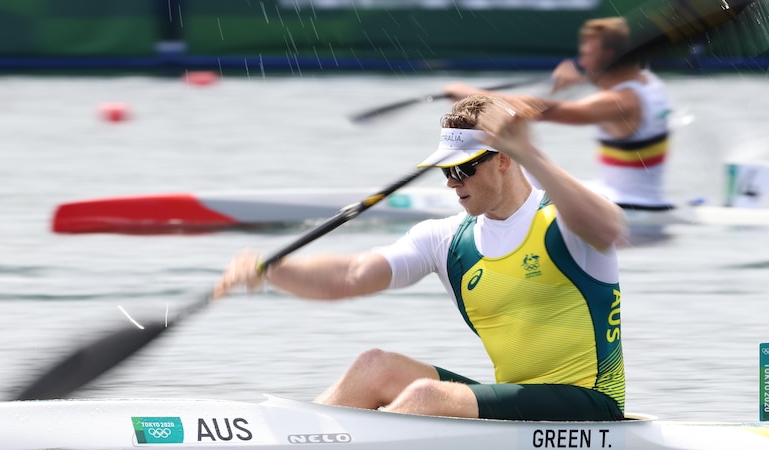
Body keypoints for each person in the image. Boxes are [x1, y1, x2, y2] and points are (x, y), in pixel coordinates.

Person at [215, 94, 627, 421]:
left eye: (462, 170)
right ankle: (301, 440)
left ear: (504, 159)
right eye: (444, 172)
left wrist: (531, 153)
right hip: (520, 403)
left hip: (590, 405)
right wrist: (271, 270)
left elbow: (610, 228)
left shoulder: (565, 221)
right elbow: (353, 274)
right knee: (374, 366)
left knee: (425, 396)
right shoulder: (445, 238)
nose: (451, 183)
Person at [444, 17, 674, 210]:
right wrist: (581, 79)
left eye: (587, 55)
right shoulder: (649, 85)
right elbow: (610, 85)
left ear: (609, 56)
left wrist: (469, 93)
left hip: (624, 205)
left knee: (513, 156)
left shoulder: (620, 102)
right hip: (638, 198)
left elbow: (542, 110)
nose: (581, 61)